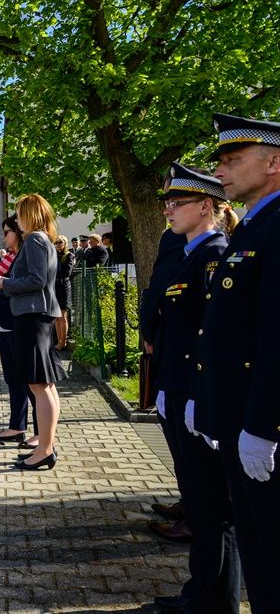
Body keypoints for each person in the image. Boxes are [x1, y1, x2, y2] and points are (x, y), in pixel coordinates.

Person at [194, 113, 280, 613]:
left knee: (271, 559)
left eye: (232, 159)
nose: (220, 170)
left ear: (273, 162)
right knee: (258, 552)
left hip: (261, 426)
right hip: (236, 418)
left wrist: (265, 426)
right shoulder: (253, 226)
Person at [147, 163, 239, 614]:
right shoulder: (188, 252)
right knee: (199, 500)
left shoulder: (214, 255)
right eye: (168, 202)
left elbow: (214, 336)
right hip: (179, 387)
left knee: (211, 505)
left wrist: (199, 395)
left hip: (197, 394)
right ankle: (202, 594)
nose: (168, 209)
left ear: (206, 206)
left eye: (177, 202)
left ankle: (210, 601)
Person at [0, 194, 66, 471]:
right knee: (45, 385)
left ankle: (44, 450)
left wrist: (4, 284)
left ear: (30, 215)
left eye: (20, 214)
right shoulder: (43, 239)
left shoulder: (34, 240)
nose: (17, 221)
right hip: (38, 316)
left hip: (32, 316)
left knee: (39, 386)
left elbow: (36, 280)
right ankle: (46, 445)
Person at [0, 215, 38, 446]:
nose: (3, 237)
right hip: (5, 323)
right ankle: (17, 426)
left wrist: (0, 283)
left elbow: (15, 286)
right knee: (13, 379)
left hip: (19, 323)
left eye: (7, 232)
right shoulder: (8, 257)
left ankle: (40, 432)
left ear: (18, 232)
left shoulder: (22, 257)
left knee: (31, 382)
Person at [52, 235, 75, 350]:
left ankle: (63, 341)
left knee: (62, 315)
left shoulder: (69, 255)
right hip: (54, 286)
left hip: (63, 286)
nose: (58, 245)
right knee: (56, 316)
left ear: (65, 243)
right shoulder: (54, 255)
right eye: (56, 243)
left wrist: (54, 275)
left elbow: (67, 272)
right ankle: (58, 341)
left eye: (60, 242)